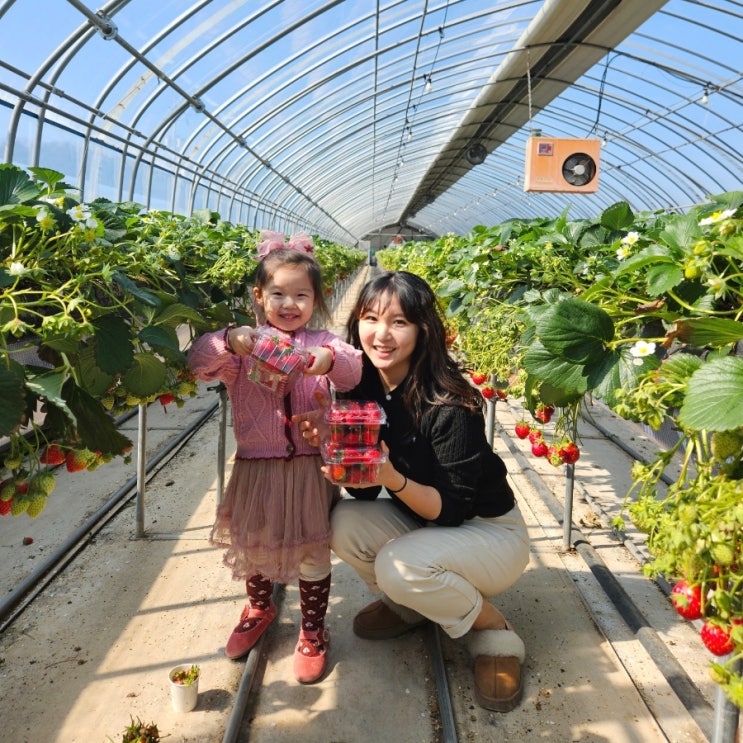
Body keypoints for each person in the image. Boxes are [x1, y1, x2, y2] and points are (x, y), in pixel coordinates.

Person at [297, 270, 530, 710]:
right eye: (370, 318)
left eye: (399, 322)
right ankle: (413, 603)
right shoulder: (360, 385)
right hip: (426, 521)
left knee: (398, 564)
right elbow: (364, 497)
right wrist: (342, 459)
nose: (381, 335)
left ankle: (493, 632)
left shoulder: (450, 403)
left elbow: (451, 511)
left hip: (489, 533)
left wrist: (389, 477)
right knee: (343, 523)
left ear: (424, 331)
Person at [187, 231, 362, 684]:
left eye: (301, 295)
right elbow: (198, 359)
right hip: (257, 467)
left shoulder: (323, 340)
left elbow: (352, 366)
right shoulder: (244, 349)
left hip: (308, 468)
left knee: (311, 550)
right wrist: (230, 337)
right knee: (257, 544)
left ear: (317, 299)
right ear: (258, 296)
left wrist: (320, 358)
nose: (290, 304)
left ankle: (312, 630)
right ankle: (259, 609)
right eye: (278, 294)